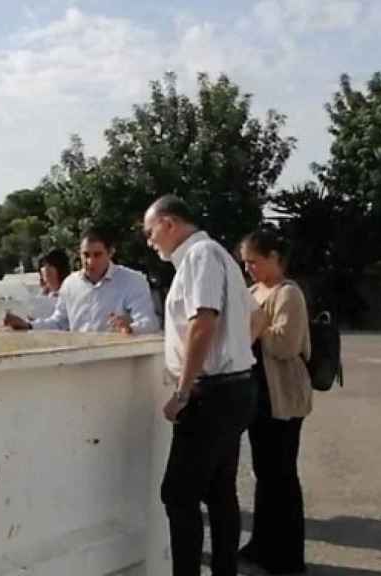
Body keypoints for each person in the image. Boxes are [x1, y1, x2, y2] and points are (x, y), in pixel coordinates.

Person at [143, 195, 257, 576]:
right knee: (219, 491)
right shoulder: (219, 255)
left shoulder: (200, 256)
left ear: (169, 223)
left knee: (177, 494)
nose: (150, 241)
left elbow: (202, 321)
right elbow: (253, 320)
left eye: (151, 231)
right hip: (234, 386)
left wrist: (184, 390)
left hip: (213, 392)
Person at [238, 229, 312, 575]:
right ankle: (261, 546)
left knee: (283, 478)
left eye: (254, 261)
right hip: (259, 399)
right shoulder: (253, 292)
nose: (249, 268)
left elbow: (285, 345)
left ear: (273, 258)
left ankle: (288, 558)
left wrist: (256, 325)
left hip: (283, 398)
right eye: (245, 263)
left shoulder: (288, 294)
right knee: (264, 475)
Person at [3, 228, 158, 334]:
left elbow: (149, 323)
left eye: (97, 255)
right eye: (86, 255)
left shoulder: (132, 281)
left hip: (117, 364)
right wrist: (28, 326)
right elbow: (59, 322)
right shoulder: (70, 284)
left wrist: (130, 328)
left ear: (110, 253)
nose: (90, 261)